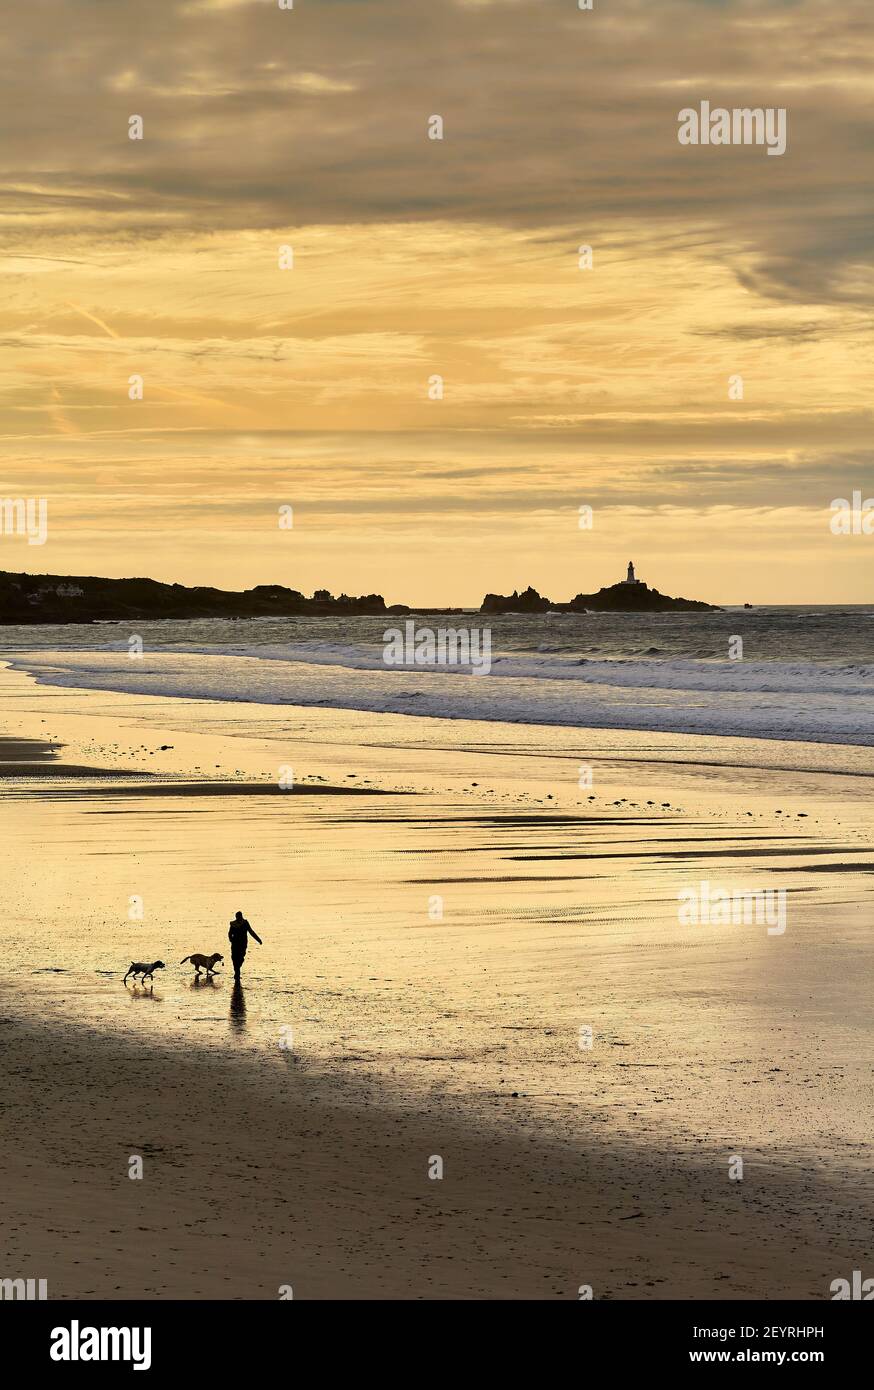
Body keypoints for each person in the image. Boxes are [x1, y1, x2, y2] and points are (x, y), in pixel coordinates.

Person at [228, 910, 262, 980]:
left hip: (242, 944)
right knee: (234, 958)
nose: (238, 918)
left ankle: (237, 970)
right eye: (237, 917)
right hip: (235, 943)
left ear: (241, 916)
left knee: (241, 958)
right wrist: (231, 939)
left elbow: (251, 931)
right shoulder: (233, 924)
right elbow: (230, 933)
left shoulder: (245, 923)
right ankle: (237, 972)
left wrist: (258, 940)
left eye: (239, 917)